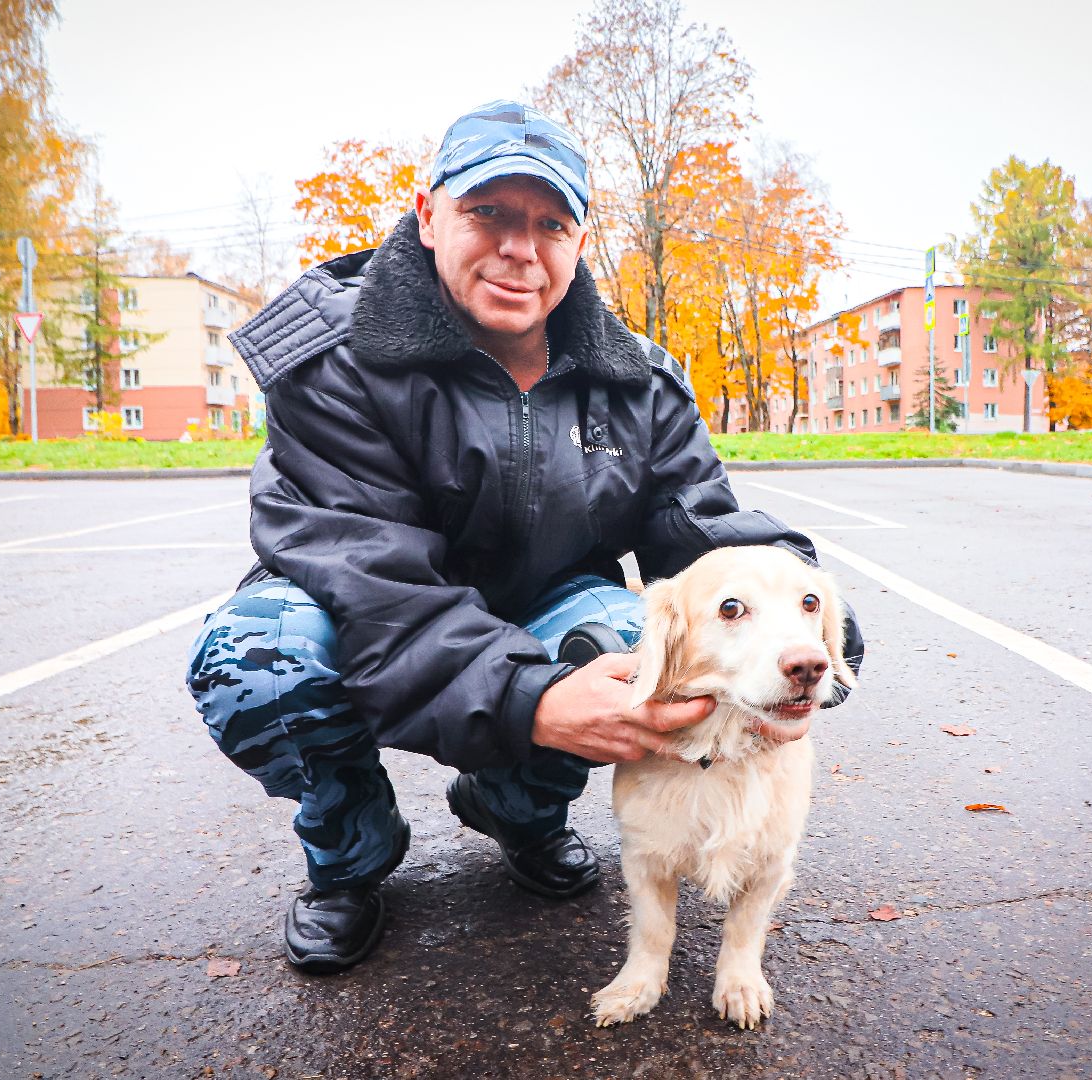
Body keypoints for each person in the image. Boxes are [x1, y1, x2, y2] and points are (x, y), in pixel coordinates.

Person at [186, 100, 863, 974]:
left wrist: (807, 638)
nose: (520, 247)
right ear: (428, 214)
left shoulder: (639, 382)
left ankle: (517, 808)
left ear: (579, 243)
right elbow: (374, 579)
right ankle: (352, 850)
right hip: (362, 607)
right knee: (256, 656)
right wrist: (533, 701)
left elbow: (703, 535)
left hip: (544, 600)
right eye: (488, 212)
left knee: (632, 643)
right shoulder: (333, 362)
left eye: (551, 222)